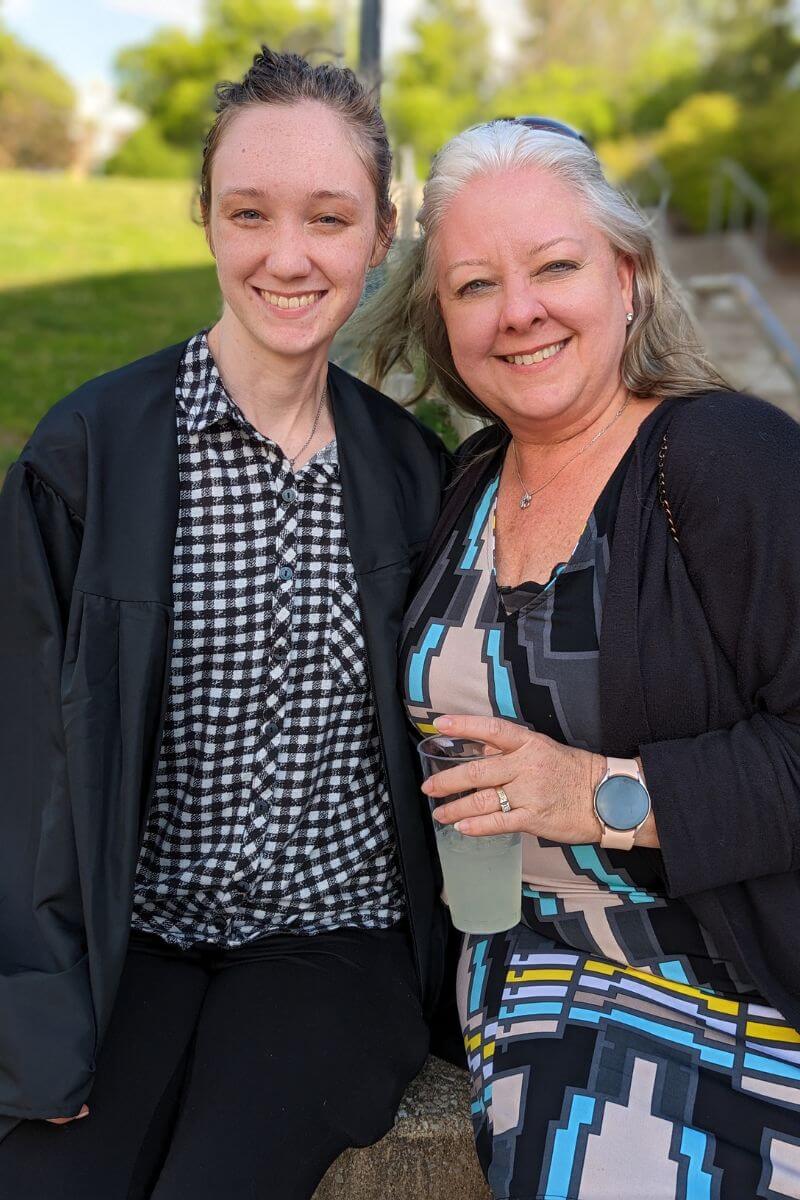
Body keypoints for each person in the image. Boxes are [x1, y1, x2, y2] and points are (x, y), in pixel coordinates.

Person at [0, 48, 448, 1200]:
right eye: (249, 212)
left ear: (381, 230)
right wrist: (36, 1026)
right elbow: (21, 766)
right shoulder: (89, 456)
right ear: (205, 216)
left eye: (328, 217)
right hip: (131, 936)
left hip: (334, 943)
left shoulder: (408, 475)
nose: (286, 257)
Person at [361, 117, 800, 1199]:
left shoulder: (723, 458)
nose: (516, 311)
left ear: (627, 278)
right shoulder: (464, 481)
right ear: (442, 321)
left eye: (552, 266)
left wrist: (594, 795)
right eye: (472, 286)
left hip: (720, 969)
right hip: (514, 958)